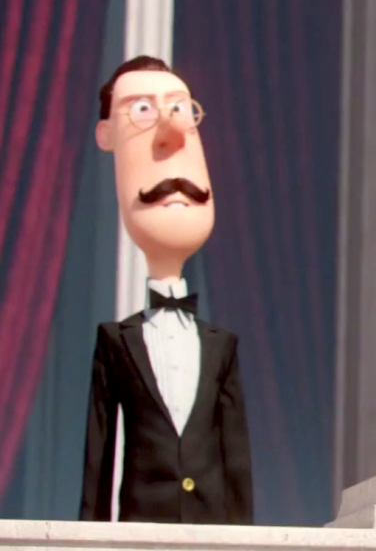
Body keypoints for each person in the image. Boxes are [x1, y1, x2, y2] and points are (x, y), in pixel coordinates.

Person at [79, 56, 253, 523]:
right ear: (107, 135)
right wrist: (89, 536)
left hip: (210, 530)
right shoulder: (116, 341)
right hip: (141, 523)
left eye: (180, 110)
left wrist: (246, 537)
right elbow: (99, 450)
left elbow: (235, 455)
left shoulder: (221, 345)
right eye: (142, 110)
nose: (171, 131)